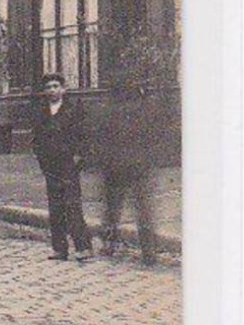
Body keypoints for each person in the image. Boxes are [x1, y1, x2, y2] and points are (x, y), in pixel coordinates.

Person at [95, 73, 160, 265]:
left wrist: (103, 162)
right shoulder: (145, 110)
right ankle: (148, 252)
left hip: (115, 167)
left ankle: (109, 244)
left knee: (112, 209)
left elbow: (100, 140)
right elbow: (154, 138)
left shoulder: (107, 111)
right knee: (143, 209)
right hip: (140, 166)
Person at [31, 72, 94, 263]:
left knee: (72, 205)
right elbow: (37, 138)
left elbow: (83, 135)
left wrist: (78, 158)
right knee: (55, 207)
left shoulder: (73, 109)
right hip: (50, 164)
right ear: (44, 91)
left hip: (68, 163)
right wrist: (41, 158)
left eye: (56, 86)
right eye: (49, 87)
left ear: (63, 89)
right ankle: (59, 248)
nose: (52, 90)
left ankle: (83, 246)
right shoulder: (41, 112)